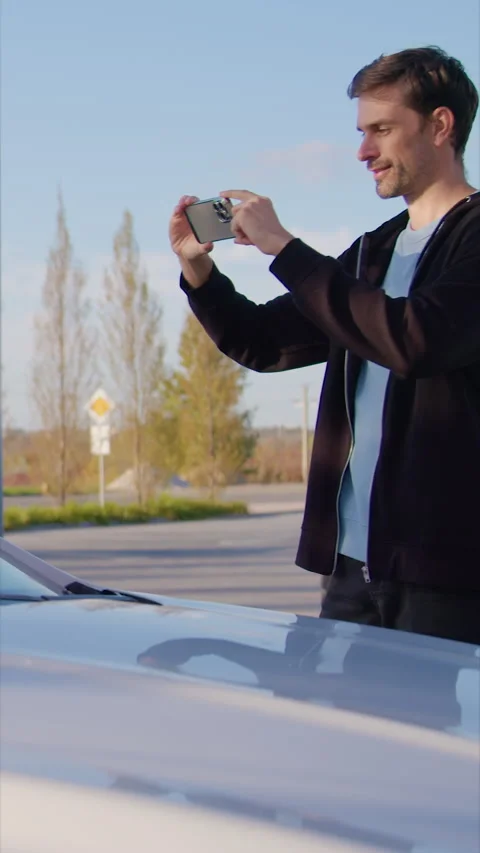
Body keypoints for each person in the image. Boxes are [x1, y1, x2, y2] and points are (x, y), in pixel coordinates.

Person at [168, 46, 480, 646]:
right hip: (351, 569)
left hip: (449, 575)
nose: (363, 152)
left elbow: (416, 340)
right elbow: (264, 343)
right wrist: (199, 273)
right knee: (332, 710)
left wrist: (284, 249)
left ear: (440, 125)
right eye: (362, 132)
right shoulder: (371, 253)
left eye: (381, 130)